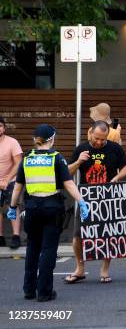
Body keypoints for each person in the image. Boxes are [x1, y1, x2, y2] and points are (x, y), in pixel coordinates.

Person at [6, 124, 89, 302]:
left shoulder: (27, 159)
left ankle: (29, 290)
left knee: (32, 249)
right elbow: (69, 184)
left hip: (32, 209)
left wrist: (12, 208)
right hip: (52, 208)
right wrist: (81, 202)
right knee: (48, 250)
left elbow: (18, 187)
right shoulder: (56, 158)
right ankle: (44, 292)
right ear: (51, 139)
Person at [65, 120, 126, 284]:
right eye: (97, 138)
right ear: (90, 133)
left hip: (107, 197)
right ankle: (80, 269)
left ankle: (105, 270)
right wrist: (79, 161)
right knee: (78, 236)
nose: (100, 142)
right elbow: (67, 173)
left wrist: (117, 177)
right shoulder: (81, 149)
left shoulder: (115, 148)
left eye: (103, 139)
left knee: (107, 235)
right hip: (86, 198)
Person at [0, 116, 23, 249]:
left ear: (4, 128)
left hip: (12, 179)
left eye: (0, 125)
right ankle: (1, 237)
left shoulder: (12, 142)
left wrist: (7, 180)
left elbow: (18, 162)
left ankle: (16, 236)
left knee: (13, 206)